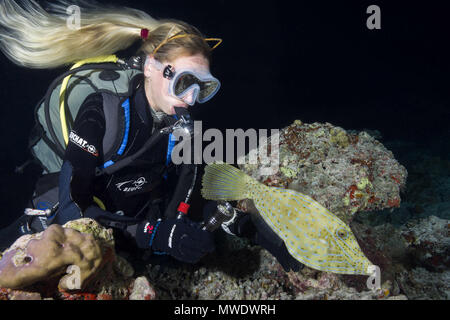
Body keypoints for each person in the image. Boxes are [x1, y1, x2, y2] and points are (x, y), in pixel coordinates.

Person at [0, 0, 302, 272]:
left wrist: (265, 237)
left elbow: (194, 197)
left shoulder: (182, 129)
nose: (192, 99)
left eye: (203, 87)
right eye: (185, 82)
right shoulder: (101, 111)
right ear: (150, 67)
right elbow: (71, 208)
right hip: (57, 235)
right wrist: (153, 234)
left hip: (134, 237)